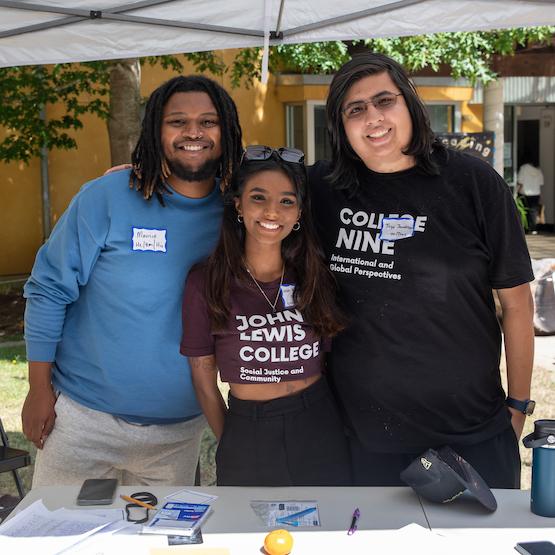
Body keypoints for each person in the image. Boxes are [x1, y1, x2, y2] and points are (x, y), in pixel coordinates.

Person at [308, 53, 535, 488]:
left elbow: (517, 303)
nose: (373, 117)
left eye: (384, 101)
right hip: (367, 440)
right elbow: (244, 192)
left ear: (410, 103)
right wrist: (142, 171)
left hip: (474, 433)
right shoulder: (322, 188)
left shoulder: (473, 182)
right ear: (341, 126)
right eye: (355, 109)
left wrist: (518, 405)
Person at [22, 75, 242, 486]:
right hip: (83, 421)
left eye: (208, 122)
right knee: (55, 542)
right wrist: (38, 389)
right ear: (155, 130)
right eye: (178, 121)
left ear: (226, 130)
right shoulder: (107, 196)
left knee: (159, 549)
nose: (193, 132)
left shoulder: (241, 213)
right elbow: (48, 289)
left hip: (178, 430)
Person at [180, 146, 352, 486]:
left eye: (287, 201)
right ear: (238, 205)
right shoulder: (207, 280)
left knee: (327, 532)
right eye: (258, 197)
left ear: (299, 212)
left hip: (318, 420)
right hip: (248, 426)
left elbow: (332, 360)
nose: (272, 211)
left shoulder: (314, 274)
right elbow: (202, 375)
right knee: (251, 534)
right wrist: (233, 437)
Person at [517, 155, 544, 234]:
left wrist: (516, 192)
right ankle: (533, 229)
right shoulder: (538, 169)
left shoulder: (524, 168)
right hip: (536, 193)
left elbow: (520, 181)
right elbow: (541, 183)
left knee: (524, 211)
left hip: (525, 192)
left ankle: (525, 228)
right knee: (534, 211)